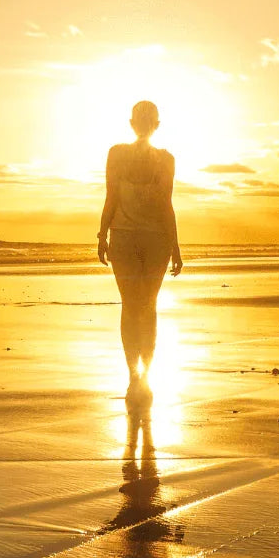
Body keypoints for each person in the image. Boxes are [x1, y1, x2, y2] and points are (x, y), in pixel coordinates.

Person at [97, 100, 183, 403]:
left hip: (156, 239)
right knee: (133, 305)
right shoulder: (116, 154)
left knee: (145, 305)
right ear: (132, 123)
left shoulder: (165, 159)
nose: (145, 124)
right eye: (141, 119)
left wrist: (175, 246)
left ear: (155, 125)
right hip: (123, 238)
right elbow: (111, 198)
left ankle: (144, 373)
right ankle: (134, 373)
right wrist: (102, 234)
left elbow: (166, 204)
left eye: (149, 120)